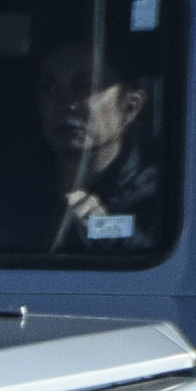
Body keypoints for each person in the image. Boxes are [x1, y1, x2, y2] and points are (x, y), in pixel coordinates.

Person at [34, 41, 160, 250]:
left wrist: (115, 237)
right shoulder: (14, 185)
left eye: (85, 87)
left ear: (130, 107)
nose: (64, 104)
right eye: (48, 87)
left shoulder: (159, 200)